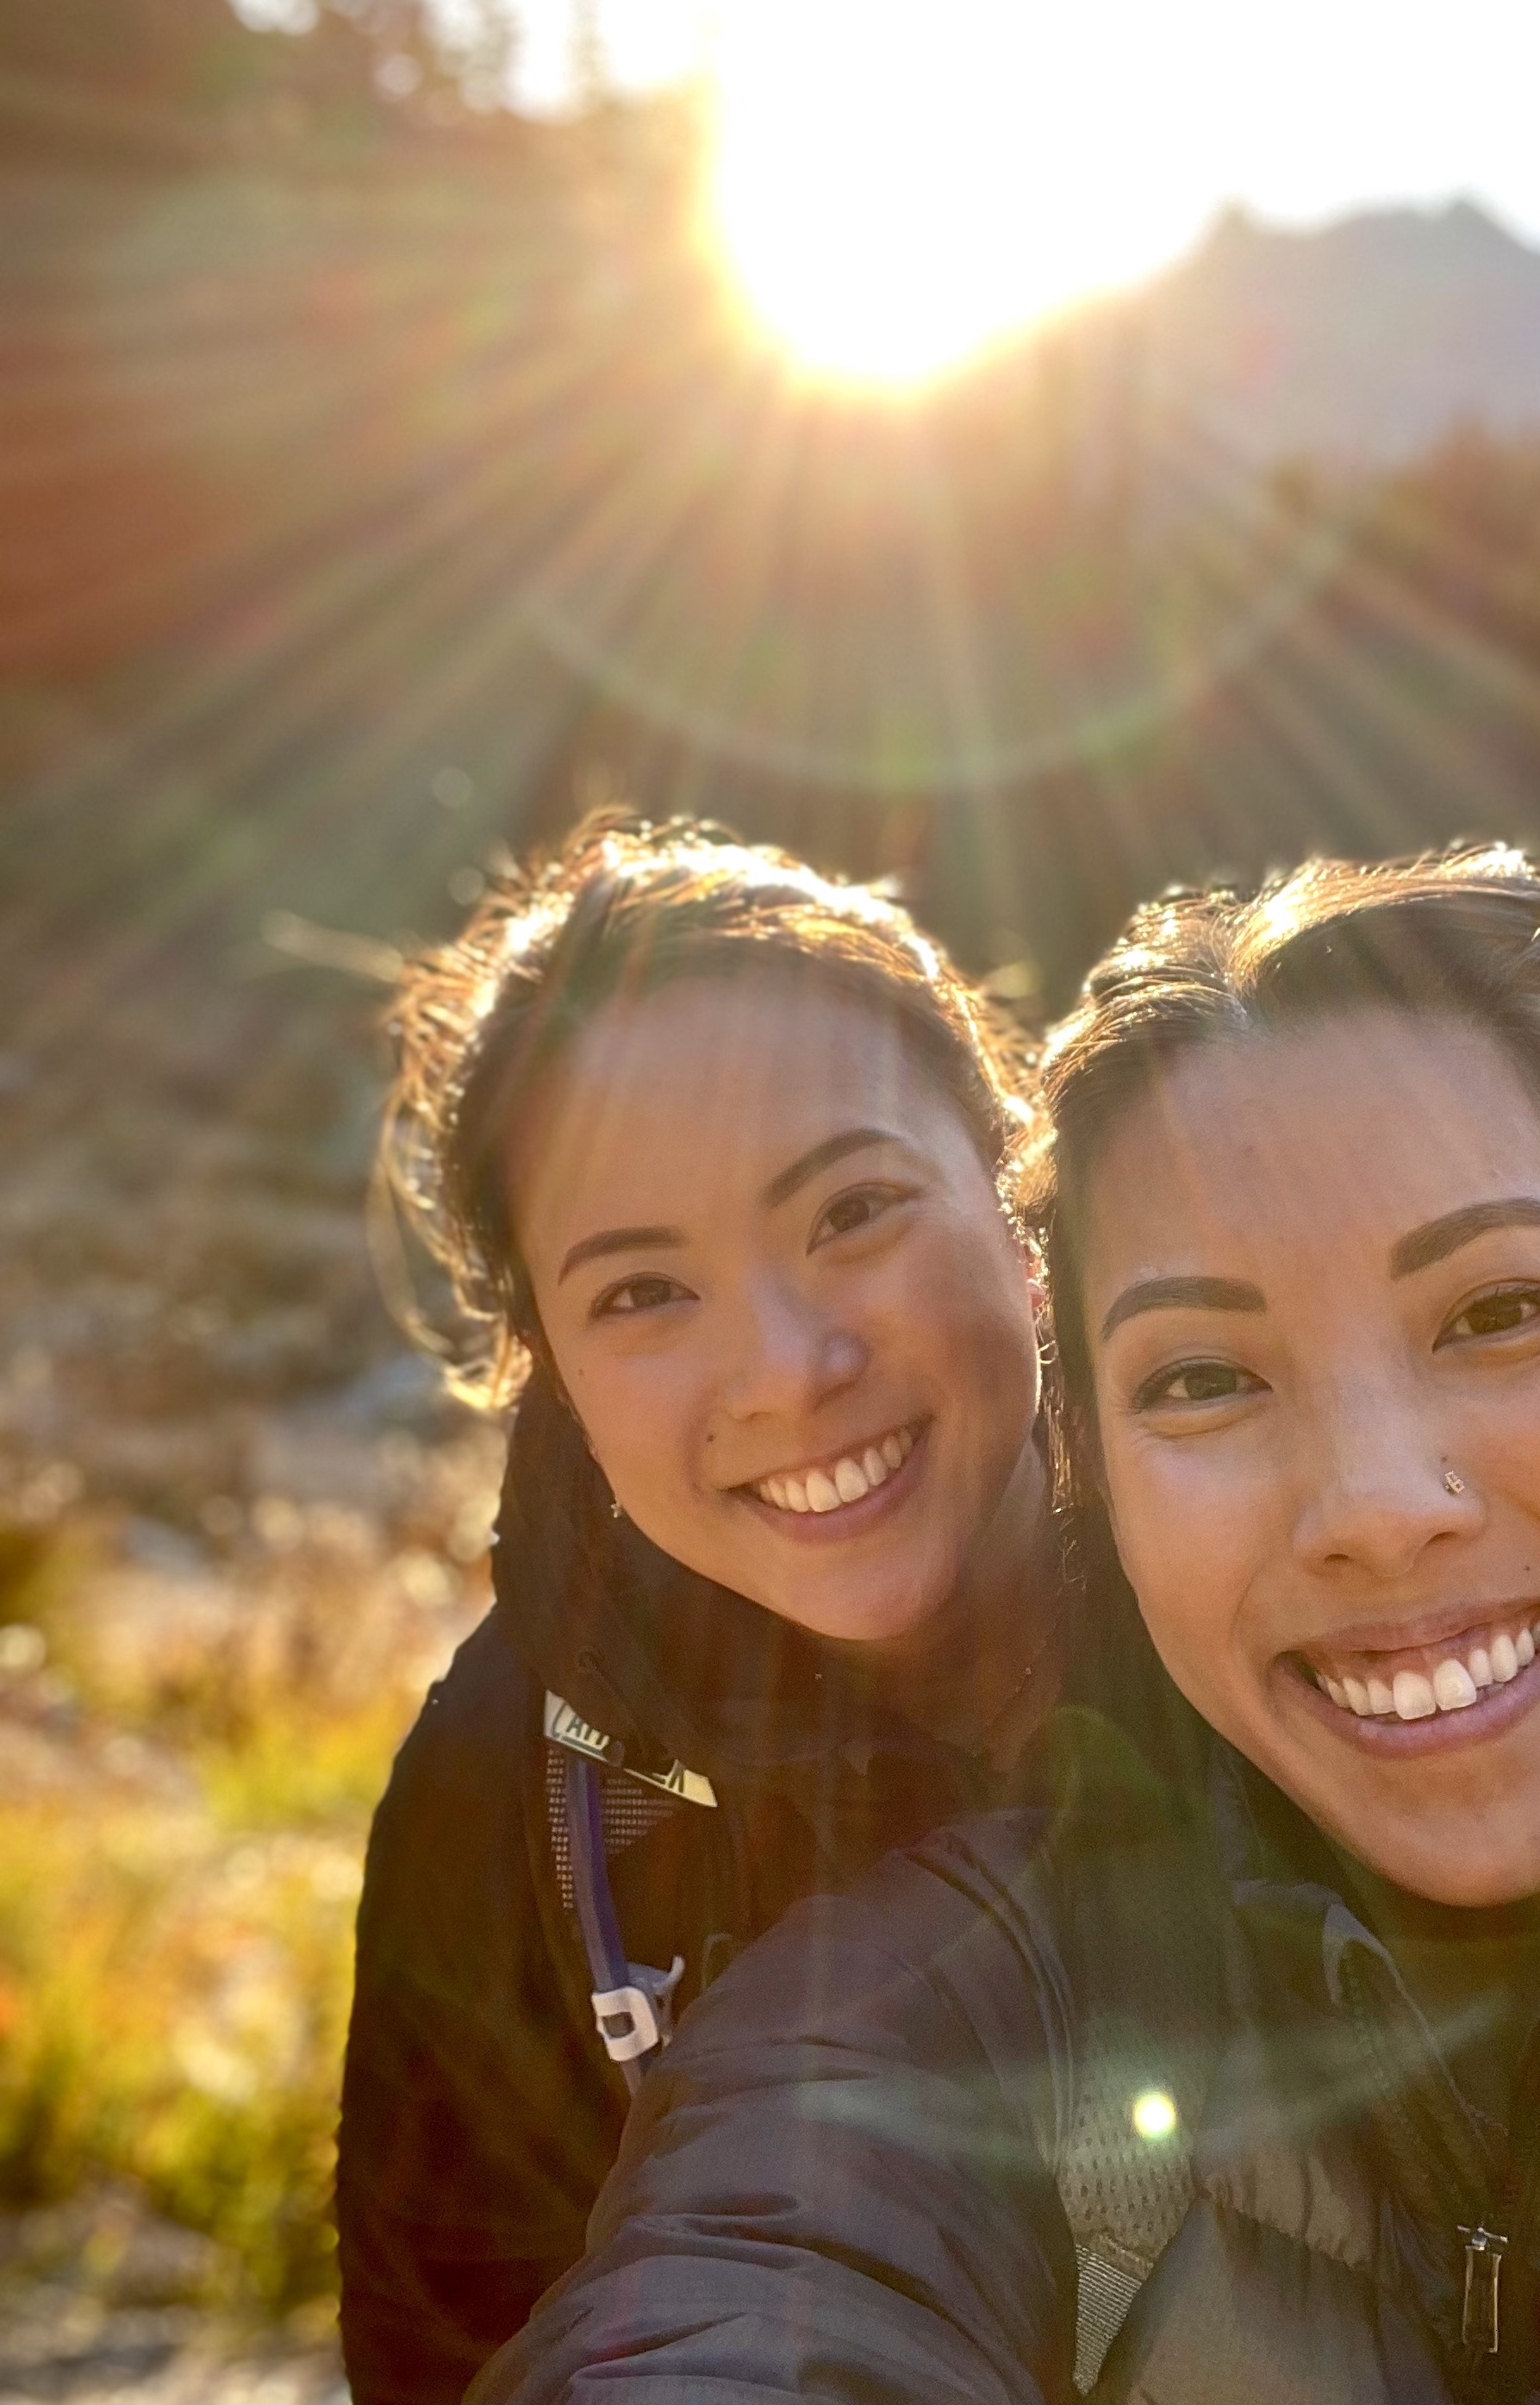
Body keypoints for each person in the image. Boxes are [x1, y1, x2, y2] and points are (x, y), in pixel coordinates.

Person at [472, 847, 1540, 2405]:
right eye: (1204, 1377)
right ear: (1108, 1499)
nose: (1378, 1504)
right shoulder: (936, 2026)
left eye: (1497, 1312)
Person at [335, 814, 1080, 2403]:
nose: (788, 1369)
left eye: (853, 1211)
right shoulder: (510, 1793)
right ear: (547, 1366)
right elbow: (449, 2350)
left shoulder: (1279, 1597)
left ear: (1017, 1194)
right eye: (641, 1293)